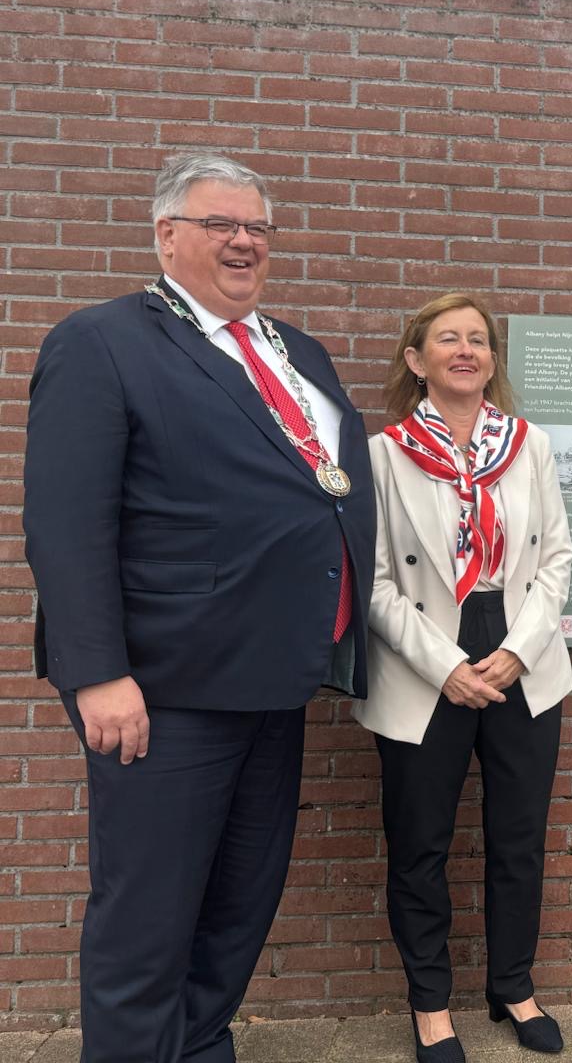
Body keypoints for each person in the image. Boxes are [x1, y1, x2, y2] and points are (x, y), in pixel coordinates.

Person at [22, 153, 376, 1063]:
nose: (244, 241)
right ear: (166, 233)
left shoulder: (299, 351)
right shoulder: (102, 341)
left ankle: (200, 1048)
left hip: (277, 678)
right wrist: (97, 673)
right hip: (166, 691)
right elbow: (67, 526)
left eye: (258, 226)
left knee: (238, 910)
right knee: (147, 922)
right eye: (221, 223)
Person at [355, 294, 572, 1061]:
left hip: (520, 652)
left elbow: (555, 562)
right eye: (447, 338)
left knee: (520, 838)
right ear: (416, 360)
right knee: (420, 843)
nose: (465, 349)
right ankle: (431, 1004)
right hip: (426, 662)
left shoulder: (530, 445)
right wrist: (445, 665)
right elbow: (374, 581)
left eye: (478, 339)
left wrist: (519, 649)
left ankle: (513, 985)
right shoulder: (381, 455)